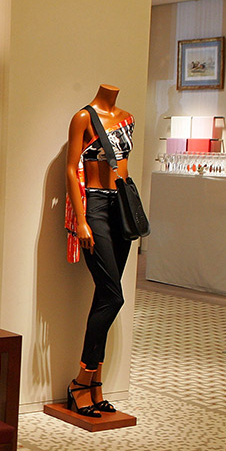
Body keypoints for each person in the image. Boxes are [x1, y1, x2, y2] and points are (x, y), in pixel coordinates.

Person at [64, 84, 135, 418]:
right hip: (93, 205)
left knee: (105, 297)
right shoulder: (83, 118)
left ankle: (95, 385)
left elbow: (124, 167)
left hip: (119, 208)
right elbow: (70, 168)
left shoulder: (127, 119)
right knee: (114, 296)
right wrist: (81, 219)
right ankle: (80, 382)